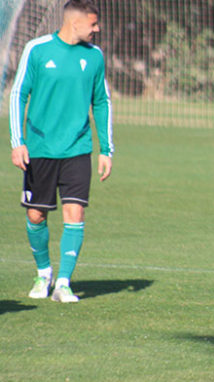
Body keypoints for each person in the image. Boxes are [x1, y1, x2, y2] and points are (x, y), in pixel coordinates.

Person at [8, 0, 113, 303]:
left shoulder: (94, 56)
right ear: (74, 23)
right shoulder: (37, 49)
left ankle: (64, 283)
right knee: (36, 214)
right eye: (93, 24)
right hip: (40, 148)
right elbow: (18, 93)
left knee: (75, 211)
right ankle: (44, 273)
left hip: (77, 148)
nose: (98, 29)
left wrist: (106, 149)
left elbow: (102, 101)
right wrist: (18, 142)